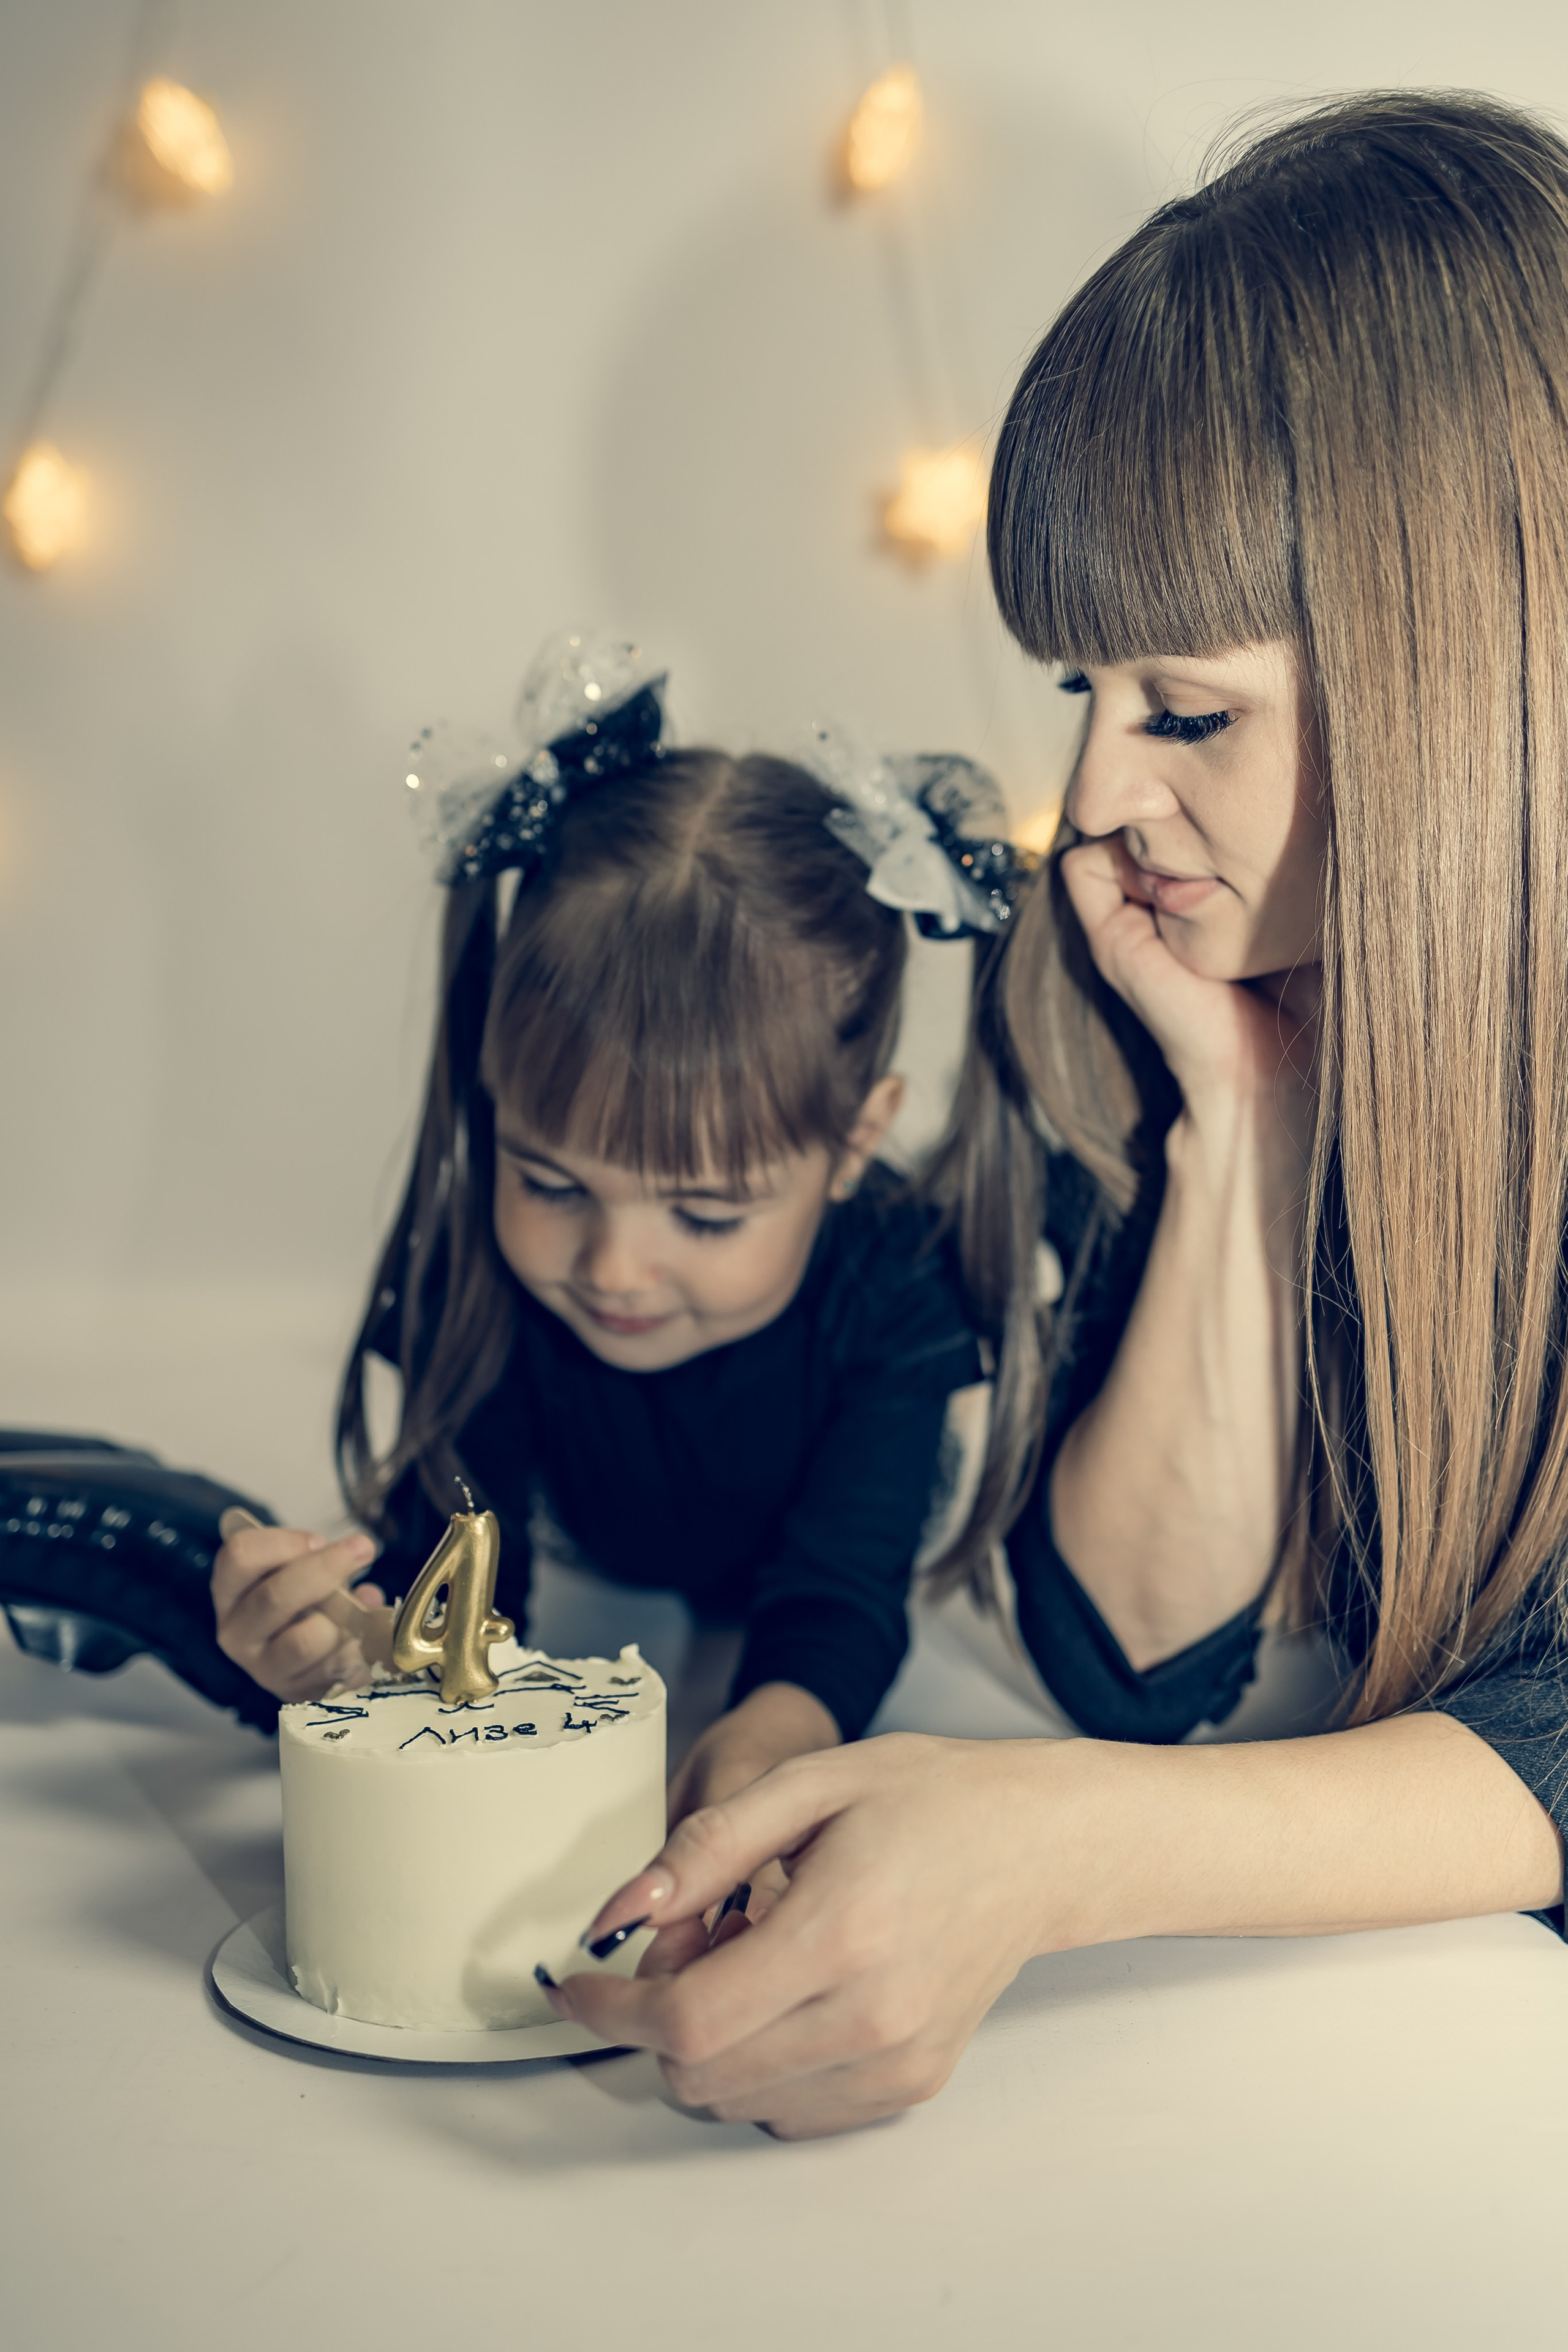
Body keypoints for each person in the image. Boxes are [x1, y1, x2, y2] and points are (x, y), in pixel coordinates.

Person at [545, 94, 1568, 2136]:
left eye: (1187, 711)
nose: (1098, 797)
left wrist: (1046, 1847)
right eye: (1081, 695)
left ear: (1463, 683)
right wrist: (1242, 1127)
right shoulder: (1134, 965)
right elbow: (1135, 1671)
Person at [211, 633, 1003, 1810]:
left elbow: (842, 1597)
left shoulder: (895, 1288)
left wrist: (765, 1739)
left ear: (852, 1141)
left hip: (834, 1519)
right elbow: (463, 1599)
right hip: (601, 1539)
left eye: (707, 1215)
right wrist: (346, 1666)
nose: (614, 1268)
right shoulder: (478, 1274)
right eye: (551, 1183)